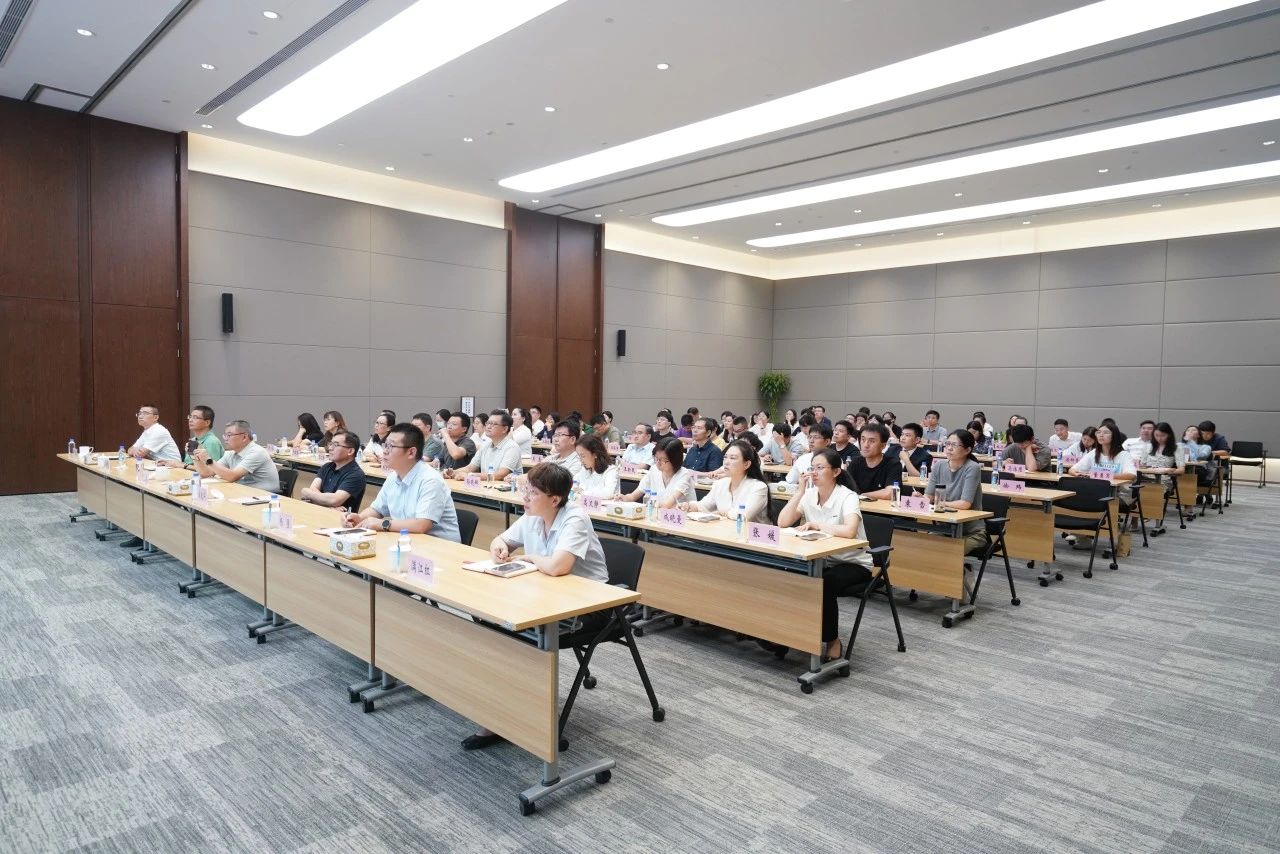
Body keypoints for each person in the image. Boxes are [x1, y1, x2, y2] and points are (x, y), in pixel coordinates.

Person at [462, 462, 612, 750]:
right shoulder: (533, 515)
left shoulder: (575, 518)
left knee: (514, 633)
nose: (525, 498)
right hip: (545, 597)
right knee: (493, 624)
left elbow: (557, 567)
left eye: (532, 493)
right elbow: (502, 540)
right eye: (526, 491)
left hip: (589, 607)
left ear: (554, 499)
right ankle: (505, 711)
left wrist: (529, 558)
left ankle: (523, 717)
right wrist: (499, 548)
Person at [777, 447, 870, 661]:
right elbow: (782, 522)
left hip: (853, 563)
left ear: (836, 471)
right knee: (787, 575)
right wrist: (800, 491)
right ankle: (787, 634)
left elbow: (850, 531)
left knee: (822, 583)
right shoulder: (809, 495)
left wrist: (817, 525)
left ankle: (832, 640)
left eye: (820, 468)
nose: (814, 473)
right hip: (820, 559)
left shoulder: (847, 496)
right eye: (812, 468)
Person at [345, 423, 460, 541]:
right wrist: (359, 518)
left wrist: (382, 524)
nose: (384, 451)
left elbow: (421, 525)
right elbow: (377, 510)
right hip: (407, 541)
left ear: (411, 452)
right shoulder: (393, 477)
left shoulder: (430, 480)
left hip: (439, 545)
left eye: (391, 446)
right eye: (385, 445)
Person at [923, 430, 989, 554]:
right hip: (944, 530)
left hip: (971, 533)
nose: (949, 448)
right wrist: (920, 499)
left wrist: (941, 503)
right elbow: (929, 497)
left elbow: (965, 504)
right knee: (923, 548)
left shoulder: (972, 467)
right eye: (947, 444)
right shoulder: (939, 466)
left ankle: (960, 567)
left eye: (954, 445)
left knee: (948, 553)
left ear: (967, 450)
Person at [678, 440, 770, 522]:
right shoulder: (720, 483)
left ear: (746, 464)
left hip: (751, 535)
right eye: (725, 457)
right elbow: (704, 506)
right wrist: (688, 506)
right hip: (726, 531)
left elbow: (743, 516)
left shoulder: (758, 487)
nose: (726, 462)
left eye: (732, 458)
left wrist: (720, 512)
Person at [193, 420, 279, 492]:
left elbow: (232, 477)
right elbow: (206, 473)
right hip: (244, 492)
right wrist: (195, 456)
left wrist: (208, 459)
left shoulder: (257, 452)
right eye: (225, 435)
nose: (225, 439)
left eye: (229, 435)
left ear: (244, 437)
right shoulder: (231, 453)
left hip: (265, 496)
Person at [446, 409, 522, 481]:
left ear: (505, 429)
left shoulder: (512, 447)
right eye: (488, 423)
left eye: (493, 424)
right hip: (486, 487)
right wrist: (451, 472)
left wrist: (470, 475)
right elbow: (470, 468)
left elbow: (500, 475)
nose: (488, 426)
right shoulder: (485, 445)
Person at [619, 437, 697, 507]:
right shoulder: (654, 470)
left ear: (675, 460)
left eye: (664, 460)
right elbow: (633, 496)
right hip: (656, 514)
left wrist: (649, 505)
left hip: (680, 517)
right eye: (656, 458)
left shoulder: (684, 474)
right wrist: (624, 498)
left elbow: (667, 505)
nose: (658, 463)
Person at [299, 430, 366, 510]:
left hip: (339, 517)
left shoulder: (356, 475)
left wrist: (307, 493)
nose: (330, 448)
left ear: (350, 451)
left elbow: (335, 500)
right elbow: (312, 489)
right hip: (320, 512)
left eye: (336, 445)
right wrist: (329, 506)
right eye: (331, 444)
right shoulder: (326, 467)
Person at [848, 423, 902, 499]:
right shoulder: (855, 462)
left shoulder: (893, 464)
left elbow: (890, 493)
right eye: (863, 439)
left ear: (883, 445)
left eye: (872, 441)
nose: (865, 445)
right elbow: (844, 488)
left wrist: (862, 496)